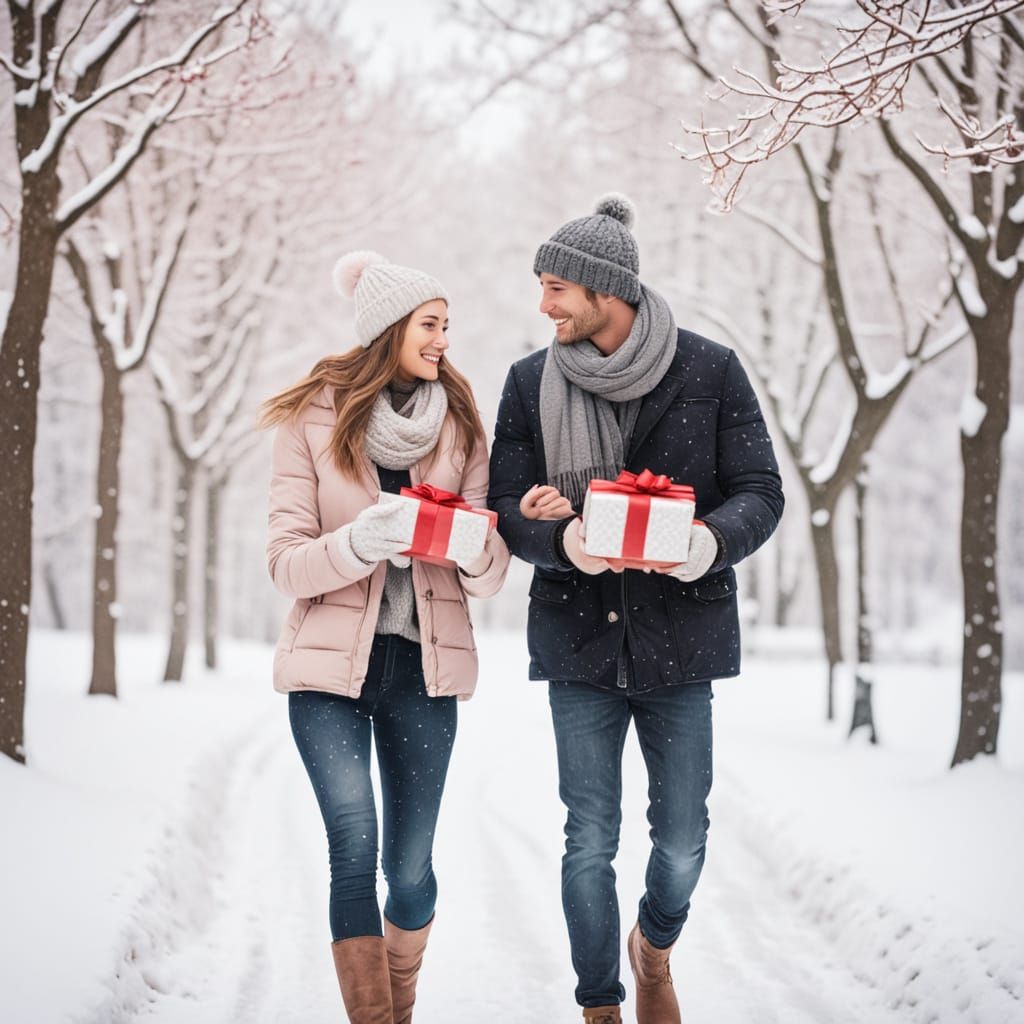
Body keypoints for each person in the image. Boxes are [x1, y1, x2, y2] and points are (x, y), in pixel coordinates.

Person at [489, 194, 784, 1024]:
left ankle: (653, 945)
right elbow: (504, 505)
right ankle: (599, 1004)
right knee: (588, 839)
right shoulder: (526, 382)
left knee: (683, 839)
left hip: (681, 644)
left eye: (556, 289)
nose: (543, 305)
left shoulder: (711, 371)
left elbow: (762, 492)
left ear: (604, 289)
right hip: (578, 645)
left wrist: (709, 543)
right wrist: (556, 538)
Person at [261, 252, 509, 1024]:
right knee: (353, 844)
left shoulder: (463, 423)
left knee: (408, 872)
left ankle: (398, 1003)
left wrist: (473, 551)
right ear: (389, 329)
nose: (442, 340)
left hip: (422, 674)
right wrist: (359, 543)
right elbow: (284, 563)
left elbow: (492, 568)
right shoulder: (313, 420)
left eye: (445, 326)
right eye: (430, 325)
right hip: (327, 678)